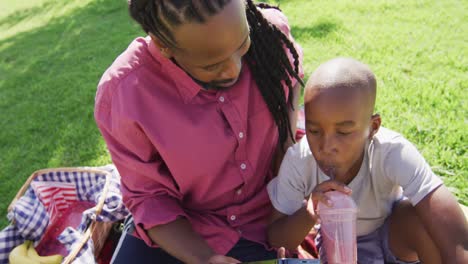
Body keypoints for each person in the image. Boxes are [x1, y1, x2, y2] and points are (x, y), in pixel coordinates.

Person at [94, 0, 304, 263]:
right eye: (210, 65)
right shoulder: (124, 94)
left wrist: (283, 219)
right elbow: (150, 198)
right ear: (164, 46)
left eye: (242, 45)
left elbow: (287, 128)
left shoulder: (271, 35)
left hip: (265, 221)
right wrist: (205, 258)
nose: (233, 69)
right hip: (183, 231)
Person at [267, 58, 468, 263]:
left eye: (344, 132)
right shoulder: (299, 161)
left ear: (373, 127)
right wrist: (310, 210)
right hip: (338, 247)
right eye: (314, 131)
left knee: (424, 219)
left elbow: (442, 210)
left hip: (393, 236)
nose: (327, 146)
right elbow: (277, 237)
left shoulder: (392, 152)